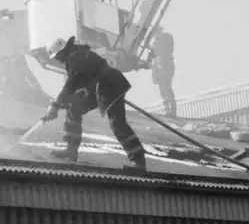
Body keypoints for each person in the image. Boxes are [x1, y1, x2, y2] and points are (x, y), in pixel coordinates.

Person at [41, 36, 147, 171]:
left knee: (117, 123)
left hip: (110, 85)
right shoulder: (76, 54)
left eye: (57, 56)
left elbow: (70, 86)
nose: (57, 60)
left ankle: (139, 162)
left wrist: (55, 105)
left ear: (62, 51)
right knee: (74, 106)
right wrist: (63, 102)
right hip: (100, 86)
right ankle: (71, 150)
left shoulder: (75, 58)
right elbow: (80, 82)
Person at [149, 26, 177, 118]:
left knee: (166, 87)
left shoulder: (166, 38)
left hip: (166, 66)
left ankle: (172, 110)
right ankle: (167, 109)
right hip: (160, 68)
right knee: (162, 90)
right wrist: (154, 73)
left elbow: (164, 51)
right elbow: (154, 59)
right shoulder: (156, 42)